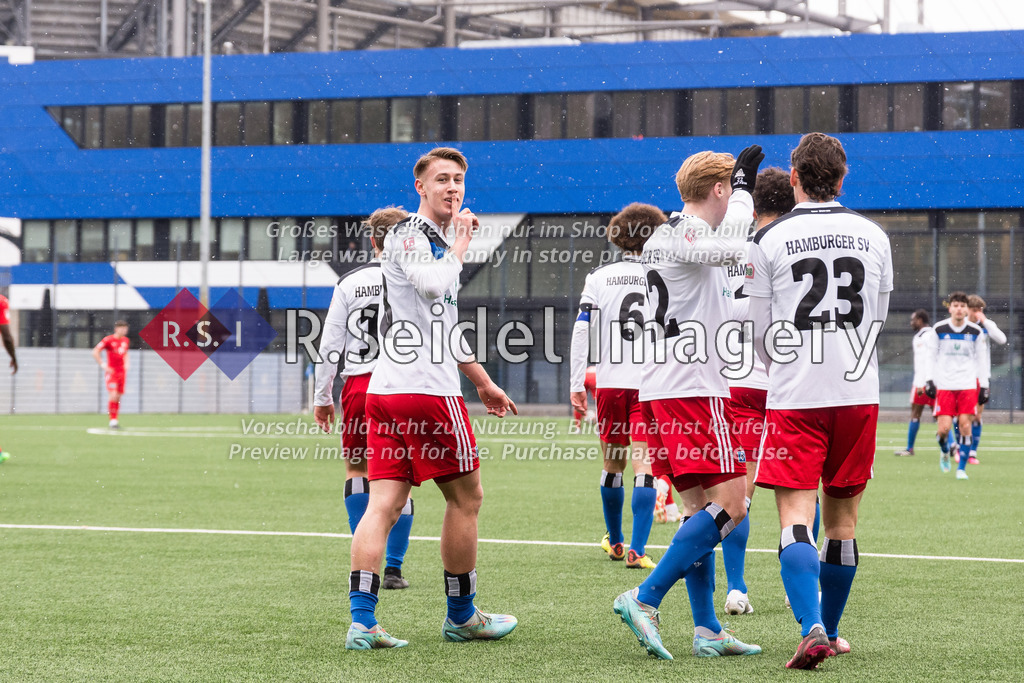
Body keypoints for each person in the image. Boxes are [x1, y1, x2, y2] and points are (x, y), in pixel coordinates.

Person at [346, 147, 518, 650]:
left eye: (459, 179)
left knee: (384, 503)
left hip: (387, 392)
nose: (453, 188)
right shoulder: (410, 235)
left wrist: (482, 381)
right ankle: (462, 616)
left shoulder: (427, 240)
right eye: (442, 179)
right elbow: (431, 285)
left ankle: (363, 621)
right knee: (466, 498)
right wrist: (461, 247)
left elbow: (441, 323)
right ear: (419, 187)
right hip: (423, 393)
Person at [747, 132, 893, 669]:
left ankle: (810, 626)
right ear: (843, 177)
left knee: (794, 516)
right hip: (858, 394)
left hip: (796, 393)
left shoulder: (769, 241)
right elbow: (875, 318)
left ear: (792, 179)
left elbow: (759, 332)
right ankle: (830, 629)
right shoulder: (873, 235)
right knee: (844, 521)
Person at [614, 145, 764, 661]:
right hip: (690, 390)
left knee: (699, 509)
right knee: (735, 504)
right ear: (718, 190)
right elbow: (727, 246)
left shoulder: (673, 234)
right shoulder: (688, 231)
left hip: (667, 388)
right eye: (729, 191)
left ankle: (707, 629)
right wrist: (745, 189)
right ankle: (646, 596)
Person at [314, 206, 413, 591]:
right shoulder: (414, 279)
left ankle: (363, 560)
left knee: (357, 469)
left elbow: (329, 345)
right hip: (404, 384)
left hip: (359, 385)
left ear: (372, 241)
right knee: (399, 476)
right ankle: (393, 568)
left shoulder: (350, 283)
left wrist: (323, 396)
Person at [571, 202, 665, 570]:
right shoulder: (664, 273)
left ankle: (615, 541)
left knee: (613, 464)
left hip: (611, 382)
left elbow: (582, 329)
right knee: (645, 465)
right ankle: (637, 551)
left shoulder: (599, 276)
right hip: (652, 383)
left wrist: (577, 381)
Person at [720, 166, 795, 616]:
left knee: (736, 494)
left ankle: (736, 587)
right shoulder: (790, 247)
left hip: (736, 379)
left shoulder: (732, 248)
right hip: (786, 381)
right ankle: (797, 585)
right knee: (802, 490)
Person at [924, 292, 985, 480]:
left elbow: (981, 360)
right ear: (950, 308)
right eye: (955, 305)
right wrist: (929, 380)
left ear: (967, 309)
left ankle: (961, 469)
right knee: (943, 430)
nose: (959, 309)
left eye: (962, 306)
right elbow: (930, 356)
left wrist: (984, 385)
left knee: (965, 426)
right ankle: (944, 451)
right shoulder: (939, 329)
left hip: (967, 385)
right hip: (945, 386)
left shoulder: (975, 331)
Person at [965, 294, 1006, 464]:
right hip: (963, 376)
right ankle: (961, 449)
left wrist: (985, 321)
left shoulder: (986, 326)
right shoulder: (961, 325)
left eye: (980, 310)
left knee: (977, 416)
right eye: (974, 310)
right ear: (967, 310)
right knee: (961, 415)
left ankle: (972, 452)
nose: (977, 313)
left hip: (981, 377)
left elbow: (1002, 339)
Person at [895, 309, 937, 457]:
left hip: (925, 382)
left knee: (931, 414)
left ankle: (950, 445)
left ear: (920, 320)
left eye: (913, 320)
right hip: (922, 381)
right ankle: (910, 448)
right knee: (932, 414)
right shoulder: (920, 336)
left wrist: (926, 382)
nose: (911, 322)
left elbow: (930, 359)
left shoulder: (929, 336)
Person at [93, 320, 130, 429]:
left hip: (121, 372)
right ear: (116, 329)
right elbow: (95, 351)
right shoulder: (108, 340)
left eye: (125, 328)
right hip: (112, 372)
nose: (124, 330)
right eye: (122, 328)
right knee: (113, 395)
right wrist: (103, 365)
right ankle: (112, 421)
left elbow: (125, 353)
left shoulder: (125, 340)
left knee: (118, 396)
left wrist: (127, 363)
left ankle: (115, 419)